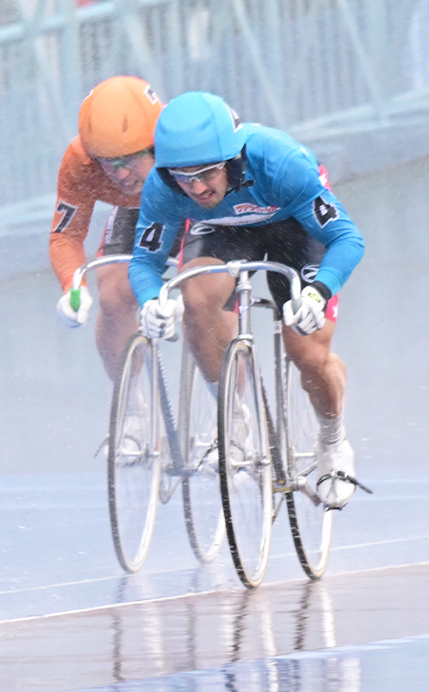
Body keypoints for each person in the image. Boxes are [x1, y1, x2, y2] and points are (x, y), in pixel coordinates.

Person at [129, 90, 364, 508]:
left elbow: (346, 238)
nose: (197, 187)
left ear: (233, 158)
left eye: (206, 173)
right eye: (184, 177)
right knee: (196, 299)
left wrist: (318, 291)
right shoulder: (164, 187)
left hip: (294, 224)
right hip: (225, 230)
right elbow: (145, 262)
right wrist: (150, 300)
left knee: (307, 351)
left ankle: (333, 441)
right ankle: (232, 422)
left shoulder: (281, 163)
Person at [50, 76, 166, 380]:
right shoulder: (79, 163)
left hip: (195, 207)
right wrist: (73, 285)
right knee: (113, 294)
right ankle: (130, 404)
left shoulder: (180, 146)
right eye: (108, 162)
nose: (122, 173)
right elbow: (67, 235)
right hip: (137, 212)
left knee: (202, 297)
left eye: (130, 159)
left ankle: (229, 404)